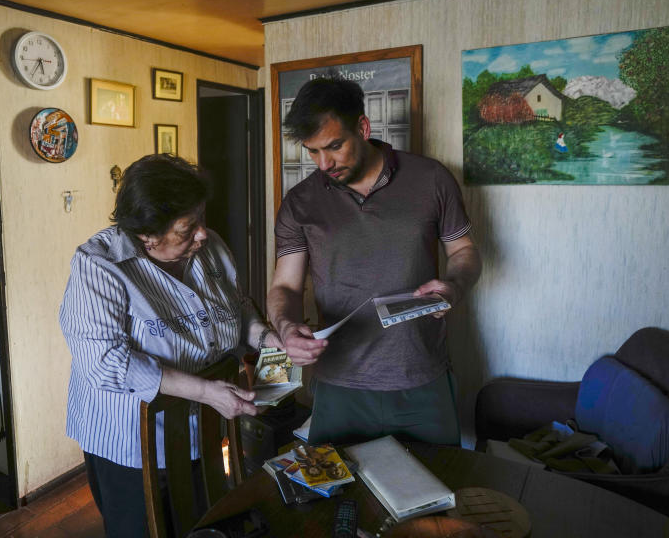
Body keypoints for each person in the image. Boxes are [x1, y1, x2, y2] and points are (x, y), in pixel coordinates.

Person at [59, 154, 281, 537]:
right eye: (188, 227)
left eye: (201, 219)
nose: (202, 234)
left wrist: (266, 337)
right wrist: (205, 390)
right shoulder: (99, 265)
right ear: (147, 235)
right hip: (130, 440)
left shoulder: (209, 248)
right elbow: (107, 362)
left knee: (201, 524)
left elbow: (236, 305)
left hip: (202, 427)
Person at [266, 76, 482, 447]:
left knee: (436, 497)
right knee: (338, 501)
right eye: (312, 151)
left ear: (363, 128)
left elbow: (463, 252)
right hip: (339, 385)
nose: (324, 163)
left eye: (334, 146)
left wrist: (456, 285)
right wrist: (286, 327)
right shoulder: (300, 202)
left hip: (422, 378)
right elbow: (285, 286)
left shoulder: (432, 179)